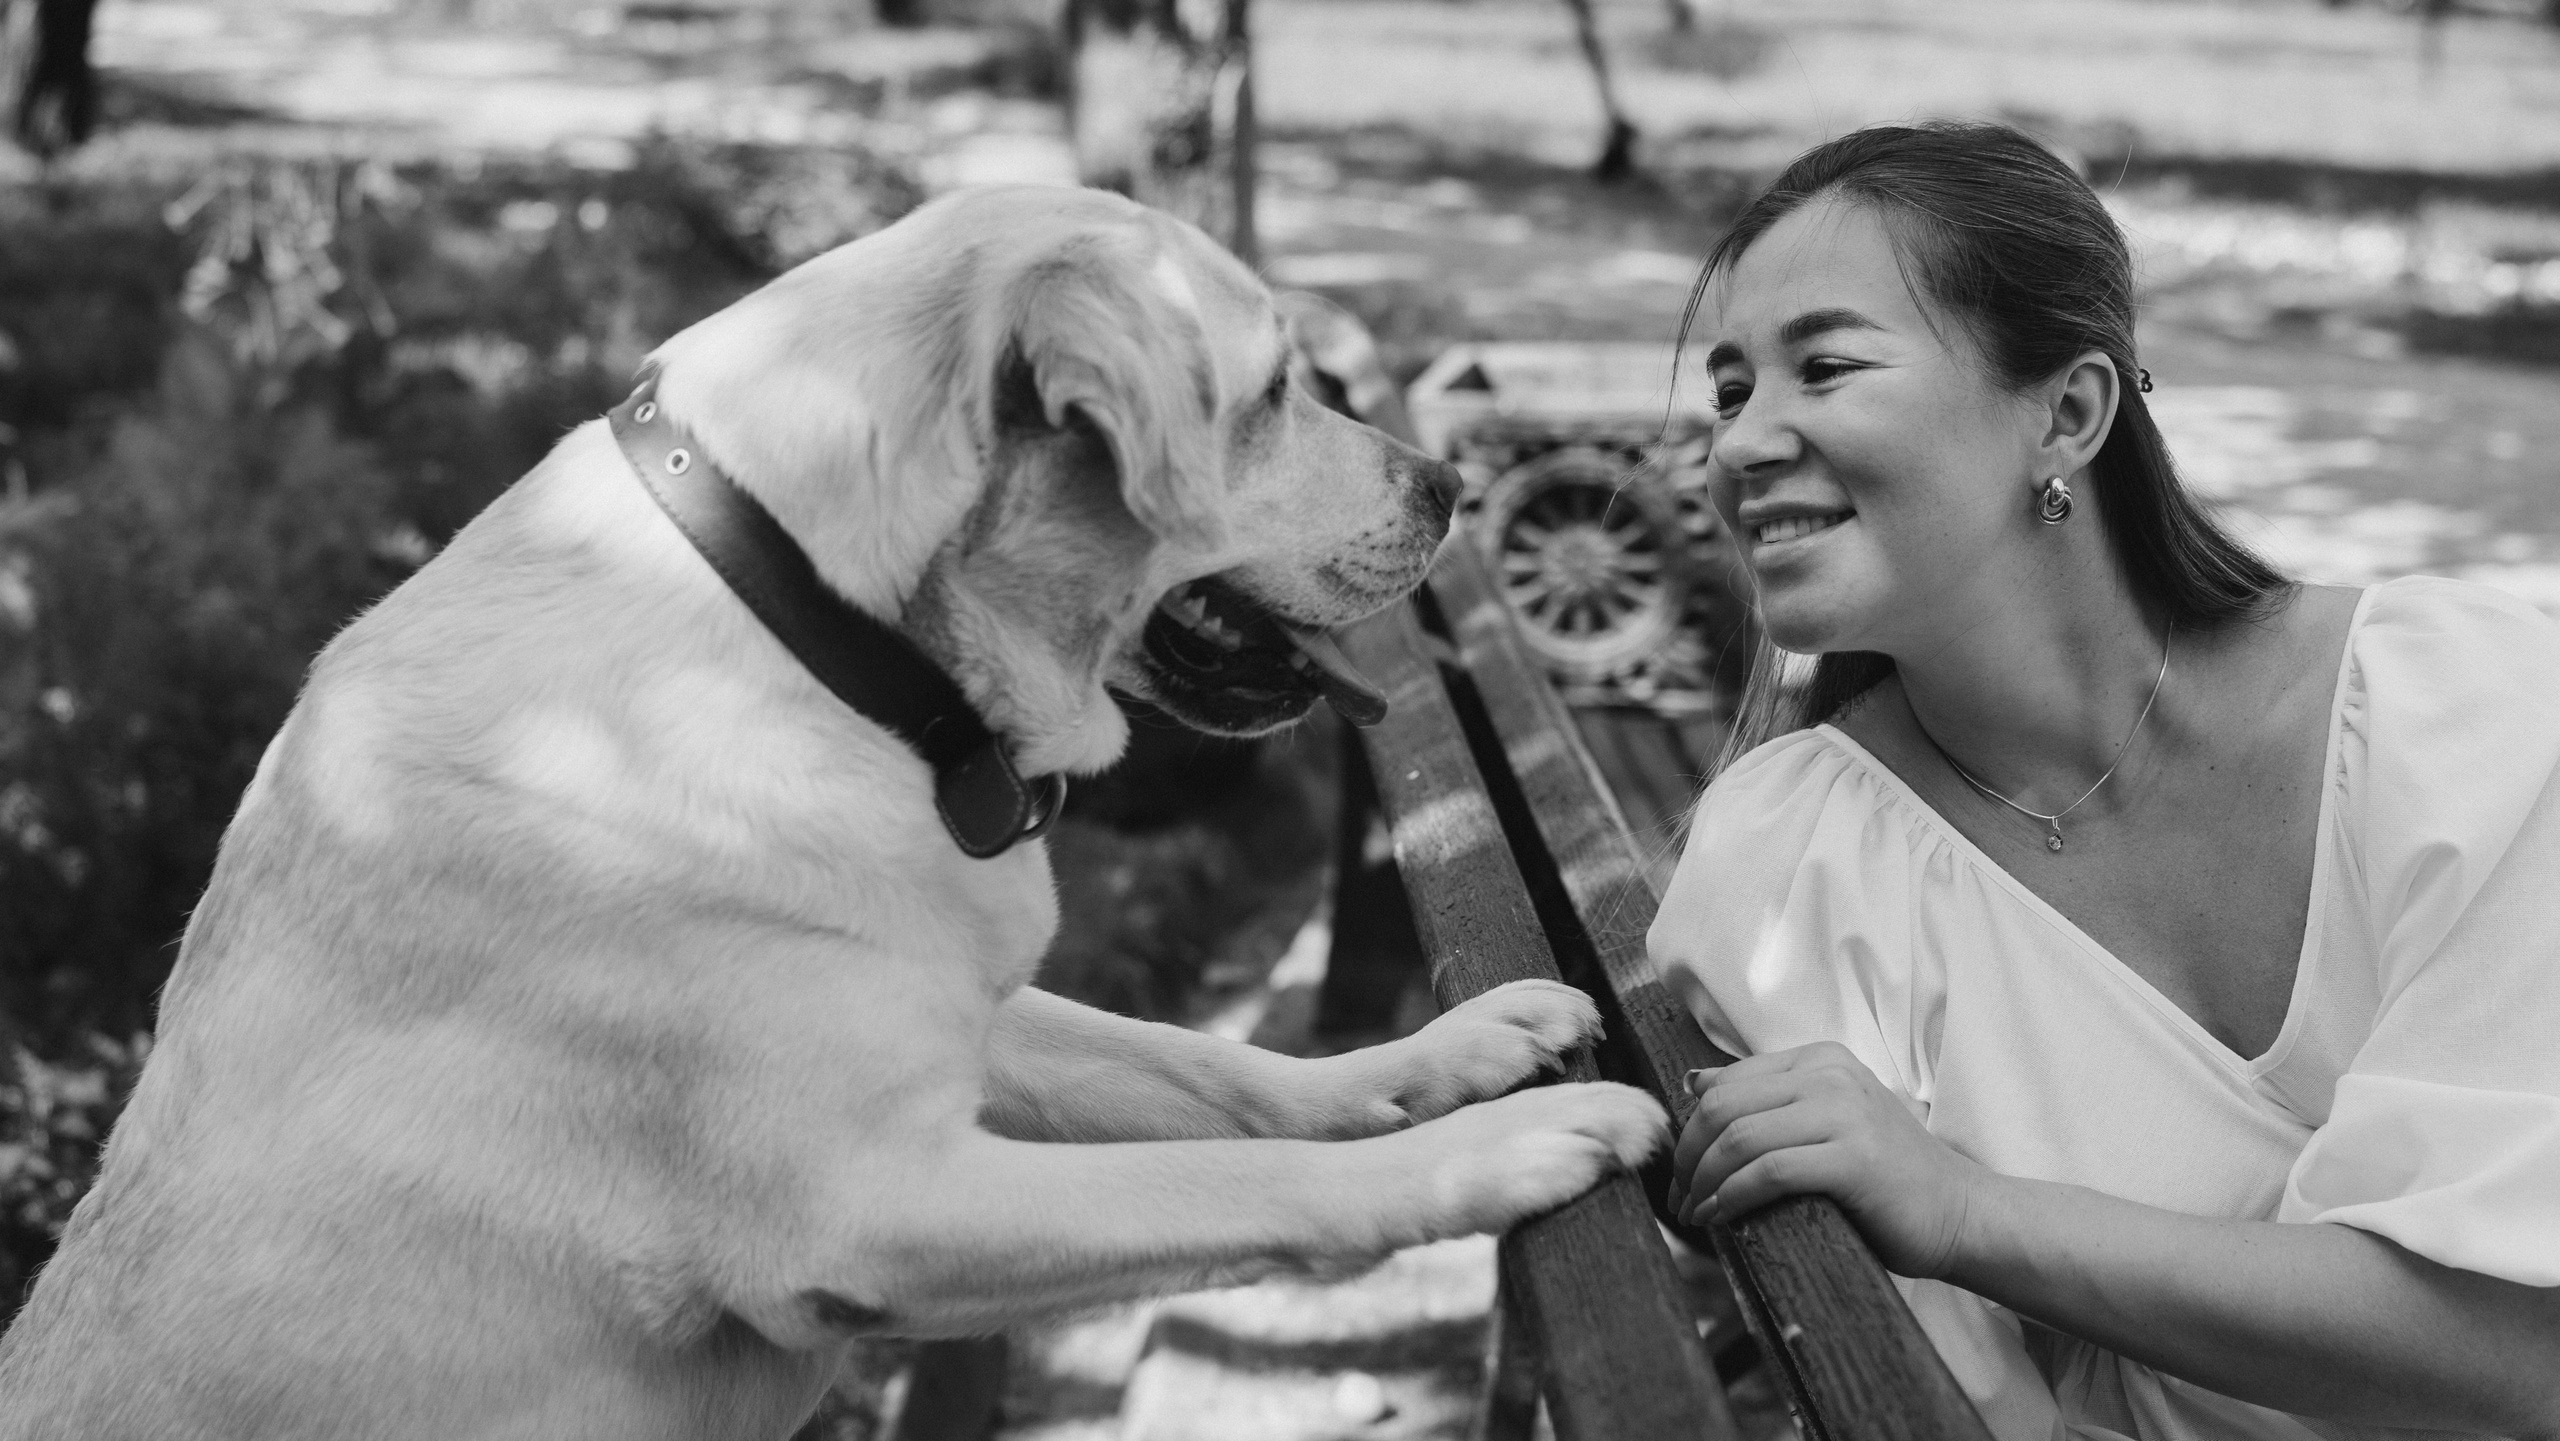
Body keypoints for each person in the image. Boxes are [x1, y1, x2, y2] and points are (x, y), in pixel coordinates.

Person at [1645, 121, 2560, 1441]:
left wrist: (1970, 1212)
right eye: (1730, 392)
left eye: (1824, 366)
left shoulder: (2462, 719)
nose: (1739, 445)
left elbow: (2516, 1352)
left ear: (2067, 414)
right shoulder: (1794, 875)